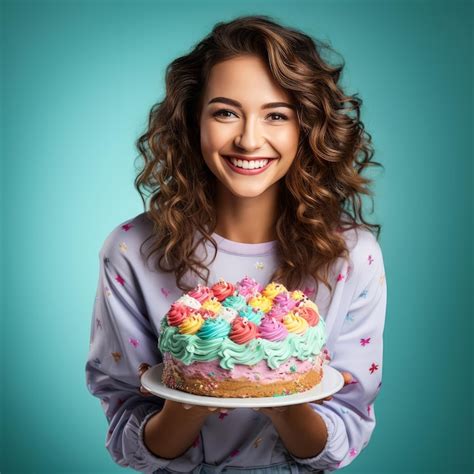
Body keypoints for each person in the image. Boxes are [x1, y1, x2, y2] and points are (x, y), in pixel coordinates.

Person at [85, 14, 387, 474]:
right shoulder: (132, 251)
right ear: (193, 120)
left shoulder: (352, 255)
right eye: (225, 112)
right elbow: (131, 433)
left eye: (276, 115)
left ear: (307, 127)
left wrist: (280, 395)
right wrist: (202, 383)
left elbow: (344, 428)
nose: (248, 140)